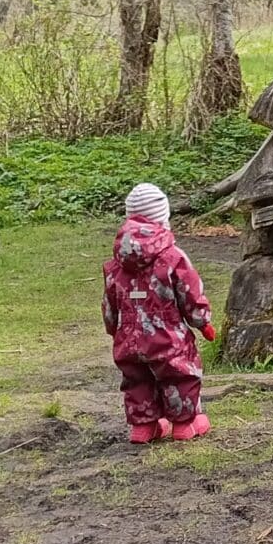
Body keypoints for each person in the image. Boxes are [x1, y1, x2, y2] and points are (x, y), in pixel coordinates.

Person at [101, 183, 215, 443]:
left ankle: (143, 427)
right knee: (179, 374)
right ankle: (184, 424)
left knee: (136, 379)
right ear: (163, 217)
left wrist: (112, 327)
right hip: (167, 334)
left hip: (129, 335)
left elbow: (109, 302)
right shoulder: (173, 257)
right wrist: (202, 321)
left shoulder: (117, 261)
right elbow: (190, 293)